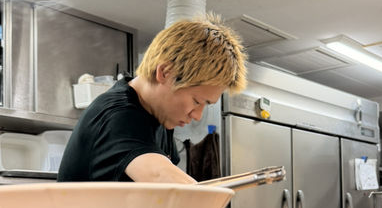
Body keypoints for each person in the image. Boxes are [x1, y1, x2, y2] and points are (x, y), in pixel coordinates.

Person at [57, 15, 246, 183]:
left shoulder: (160, 120)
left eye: (206, 105)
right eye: (197, 101)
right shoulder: (117, 114)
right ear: (165, 72)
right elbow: (161, 177)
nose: (197, 115)